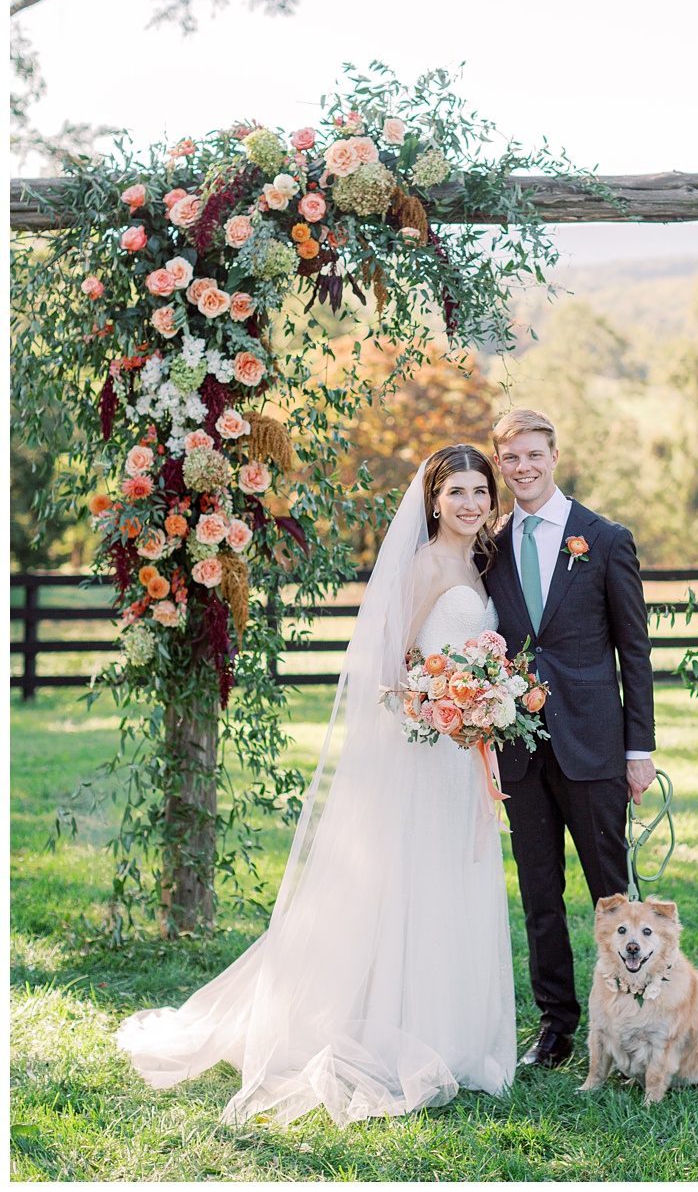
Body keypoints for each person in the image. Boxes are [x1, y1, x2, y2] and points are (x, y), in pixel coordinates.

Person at [117, 445, 518, 1126]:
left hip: (458, 754)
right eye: (458, 491)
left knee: (452, 878)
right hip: (425, 752)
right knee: (411, 883)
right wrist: (444, 701)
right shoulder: (424, 566)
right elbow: (391, 671)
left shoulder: (477, 566)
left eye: (481, 489)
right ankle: (398, 1024)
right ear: (434, 499)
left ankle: (455, 1032)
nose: (472, 502)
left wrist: (479, 704)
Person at [482, 407, 657, 1069]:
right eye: (510, 458)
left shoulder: (604, 539)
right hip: (519, 751)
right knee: (540, 896)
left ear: (554, 455)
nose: (522, 467)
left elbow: (633, 652)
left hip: (594, 747)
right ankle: (557, 1024)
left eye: (533, 454)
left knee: (613, 896)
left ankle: (636, 1016)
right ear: (500, 463)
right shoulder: (490, 545)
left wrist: (637, 750)